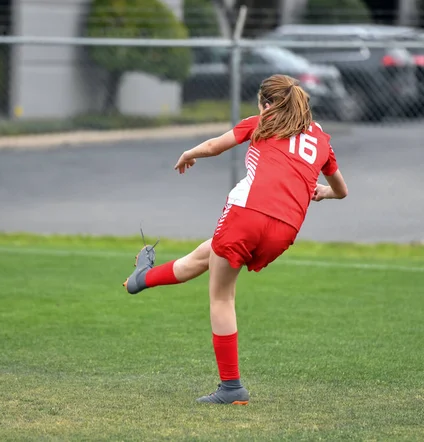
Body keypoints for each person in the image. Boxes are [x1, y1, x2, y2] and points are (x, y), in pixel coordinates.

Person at [122, 74, 348, 405]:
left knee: (222, 297)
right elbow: (342, 190)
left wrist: (189, 152)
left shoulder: (263, 122)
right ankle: (141, 278)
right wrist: (324, 193)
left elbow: (216, 145)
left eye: (261, 102)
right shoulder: (322, 140)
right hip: (285, 230)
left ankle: (231, 388)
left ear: (268, 104)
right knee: (208, 254)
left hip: (248, 214)